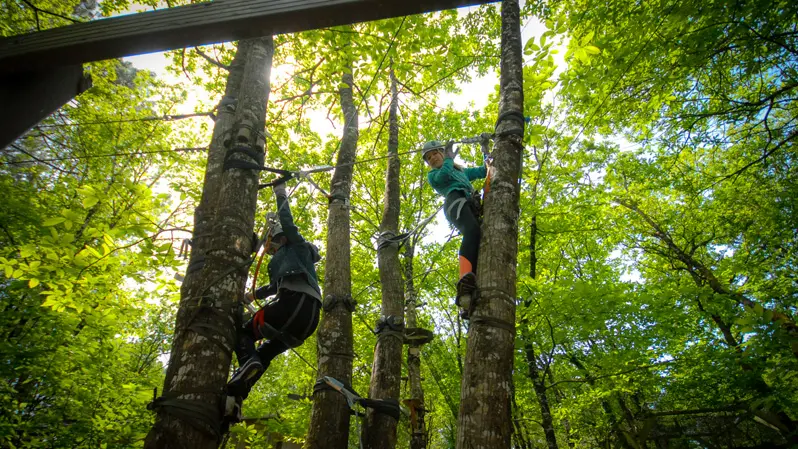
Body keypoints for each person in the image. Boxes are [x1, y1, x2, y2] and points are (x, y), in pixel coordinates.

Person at [226, 181, 322, 406]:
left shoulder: (296, 246)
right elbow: (273, 288)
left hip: (294, 304)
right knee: (264, 355)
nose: (268, 252)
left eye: (270, 246)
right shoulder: (294, 264)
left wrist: (280, 193)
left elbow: (288, 224)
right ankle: (236, 396)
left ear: (280, 238)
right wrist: (250, 297)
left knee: (244, 334)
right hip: (307, 320)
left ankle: (247, 364)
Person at [422, 140, 487, 319]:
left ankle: (470, 284)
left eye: (435, 154)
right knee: (472, 231)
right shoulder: (433, 175)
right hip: (455, 201)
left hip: (469, 203)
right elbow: (444, 176)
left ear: (441, 153)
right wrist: (449, 159)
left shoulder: (461, 171)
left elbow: (484, 171)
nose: (432, 159)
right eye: (429, 158)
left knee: (478, 238)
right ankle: (464, 280)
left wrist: (485, 150)